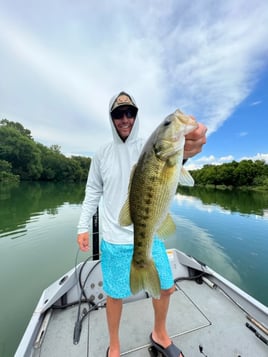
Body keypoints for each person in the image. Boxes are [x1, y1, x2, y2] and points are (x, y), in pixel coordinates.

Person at [77, 91, 207, 357]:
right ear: (111, 118)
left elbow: (177, 161)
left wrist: (187, 149)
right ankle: (114, 345)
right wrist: (81, 227)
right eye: (118, 114)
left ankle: (159, 333)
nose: (125, 119)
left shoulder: (148, 146)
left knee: (166, 287)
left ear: (136, 116)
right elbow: (93, 191)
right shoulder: (102, 153)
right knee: (114, 296)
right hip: (113, 238)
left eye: (130, 113)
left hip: (149, 233)